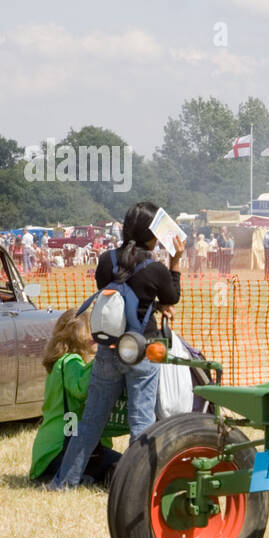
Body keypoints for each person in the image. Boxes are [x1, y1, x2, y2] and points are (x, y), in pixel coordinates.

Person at [49, 202, 183, 490]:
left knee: (90, 422)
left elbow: (114, 293)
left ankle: (65, 482)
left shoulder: (106, 261)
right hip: (141, 349)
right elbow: (171, 297)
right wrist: (175, 262)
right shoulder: (156, 268)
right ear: (152, 233)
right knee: (141, 423)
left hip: (108, 349)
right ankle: (137, 488)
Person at [29, 310, 122, 485]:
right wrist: (105, 357)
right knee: (127, 466)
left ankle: (92, 477)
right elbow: (80, 388)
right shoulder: (69, 361)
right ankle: (92, 478)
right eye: (92, 332)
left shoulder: (65, 363)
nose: (98, 336)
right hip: (60, 452)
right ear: (77, 335)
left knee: (118, 465)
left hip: (52, 455)